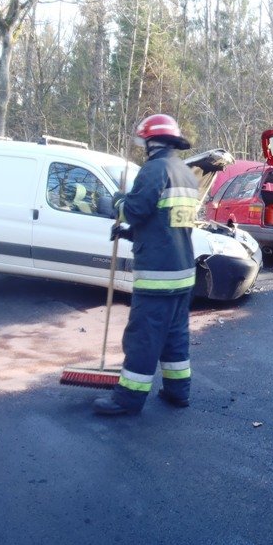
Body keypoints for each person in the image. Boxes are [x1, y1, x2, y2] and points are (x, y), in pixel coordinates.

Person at [93, 114, 198, 415]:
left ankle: (128, 399)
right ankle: (178, 391)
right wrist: (128, 234)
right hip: (182, 273)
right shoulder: (186, 173)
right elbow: (165, 225)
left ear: (152, 142)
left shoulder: (154, 170)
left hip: (157, 276)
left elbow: (136, 211)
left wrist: (118, 202)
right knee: (175, 336)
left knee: (143, 338)